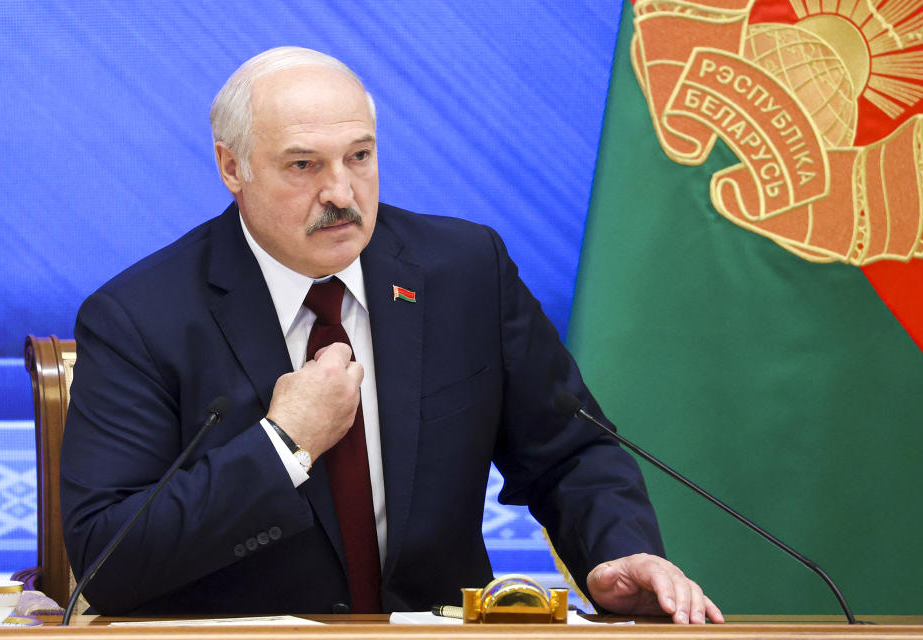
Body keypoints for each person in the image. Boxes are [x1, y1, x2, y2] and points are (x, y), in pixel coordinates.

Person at [60, 46, 723, 624]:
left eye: (360, 156)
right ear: (232, 168)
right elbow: (108, 560)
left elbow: (571, 451)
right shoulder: (141, 316)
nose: (342, 192)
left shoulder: (466, 272)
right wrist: (283, 445)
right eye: (303, 166)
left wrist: (618, 549)